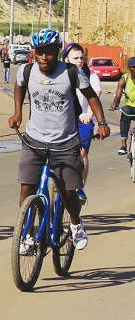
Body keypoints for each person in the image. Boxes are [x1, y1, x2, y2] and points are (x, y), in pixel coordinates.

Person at [8, 29, 109, 252]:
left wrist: (101, 123)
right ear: (34, 53)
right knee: (26, 190)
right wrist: (18, 113)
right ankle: (27, 235)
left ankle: (75, 223)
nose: (44, 57)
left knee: (68, 191)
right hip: (34, 140)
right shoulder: (26, 70)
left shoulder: (72, 72)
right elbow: (19, 87)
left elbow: (91, 95)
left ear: (57, 51)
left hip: (65, 142)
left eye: (49, 52)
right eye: (40, 52)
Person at [62, 43, 101, 202]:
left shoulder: (91, 77)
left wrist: (89, 115)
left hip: (83, 120)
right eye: (75, 58)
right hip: (65, 121)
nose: (79, 61)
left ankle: (80, 186)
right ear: (65, 60)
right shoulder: (60, 77)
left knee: (81, 153)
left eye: (81, 58)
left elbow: (95, 97)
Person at [111, 56, 135, 155]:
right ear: (129, 68)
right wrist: (115, 104)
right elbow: (118, 94)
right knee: (124, 117)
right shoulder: (124, 78)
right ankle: (123, 145)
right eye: (133, 67)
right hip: (129, 107)